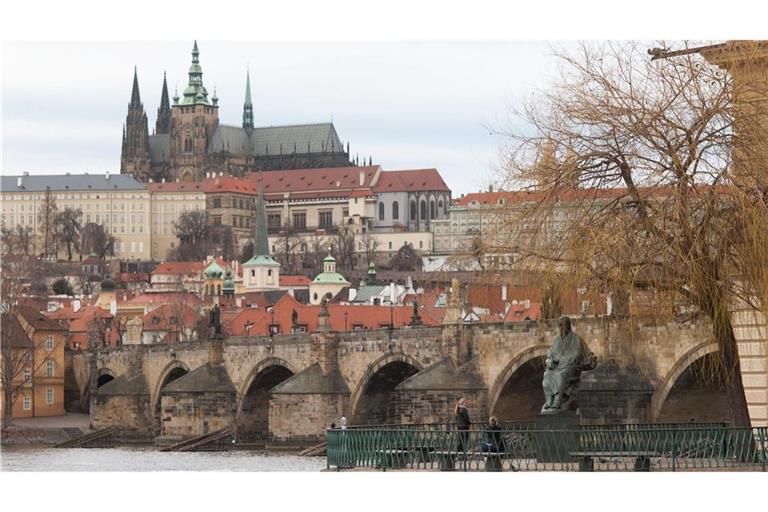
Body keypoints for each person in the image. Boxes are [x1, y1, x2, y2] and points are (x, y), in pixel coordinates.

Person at [541, 315, 597, 413]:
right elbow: (550, 354)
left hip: (572, 368)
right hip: (558, 367)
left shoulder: (576, 339)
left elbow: (576, 355)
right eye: (560, 326)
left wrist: (561, 360)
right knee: (547, 375)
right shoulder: (556, 340)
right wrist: (549, 361)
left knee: (561, 375)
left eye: (564, 325)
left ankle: (557, 402)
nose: (562, 328)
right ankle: (550, 401)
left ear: (568, 326)